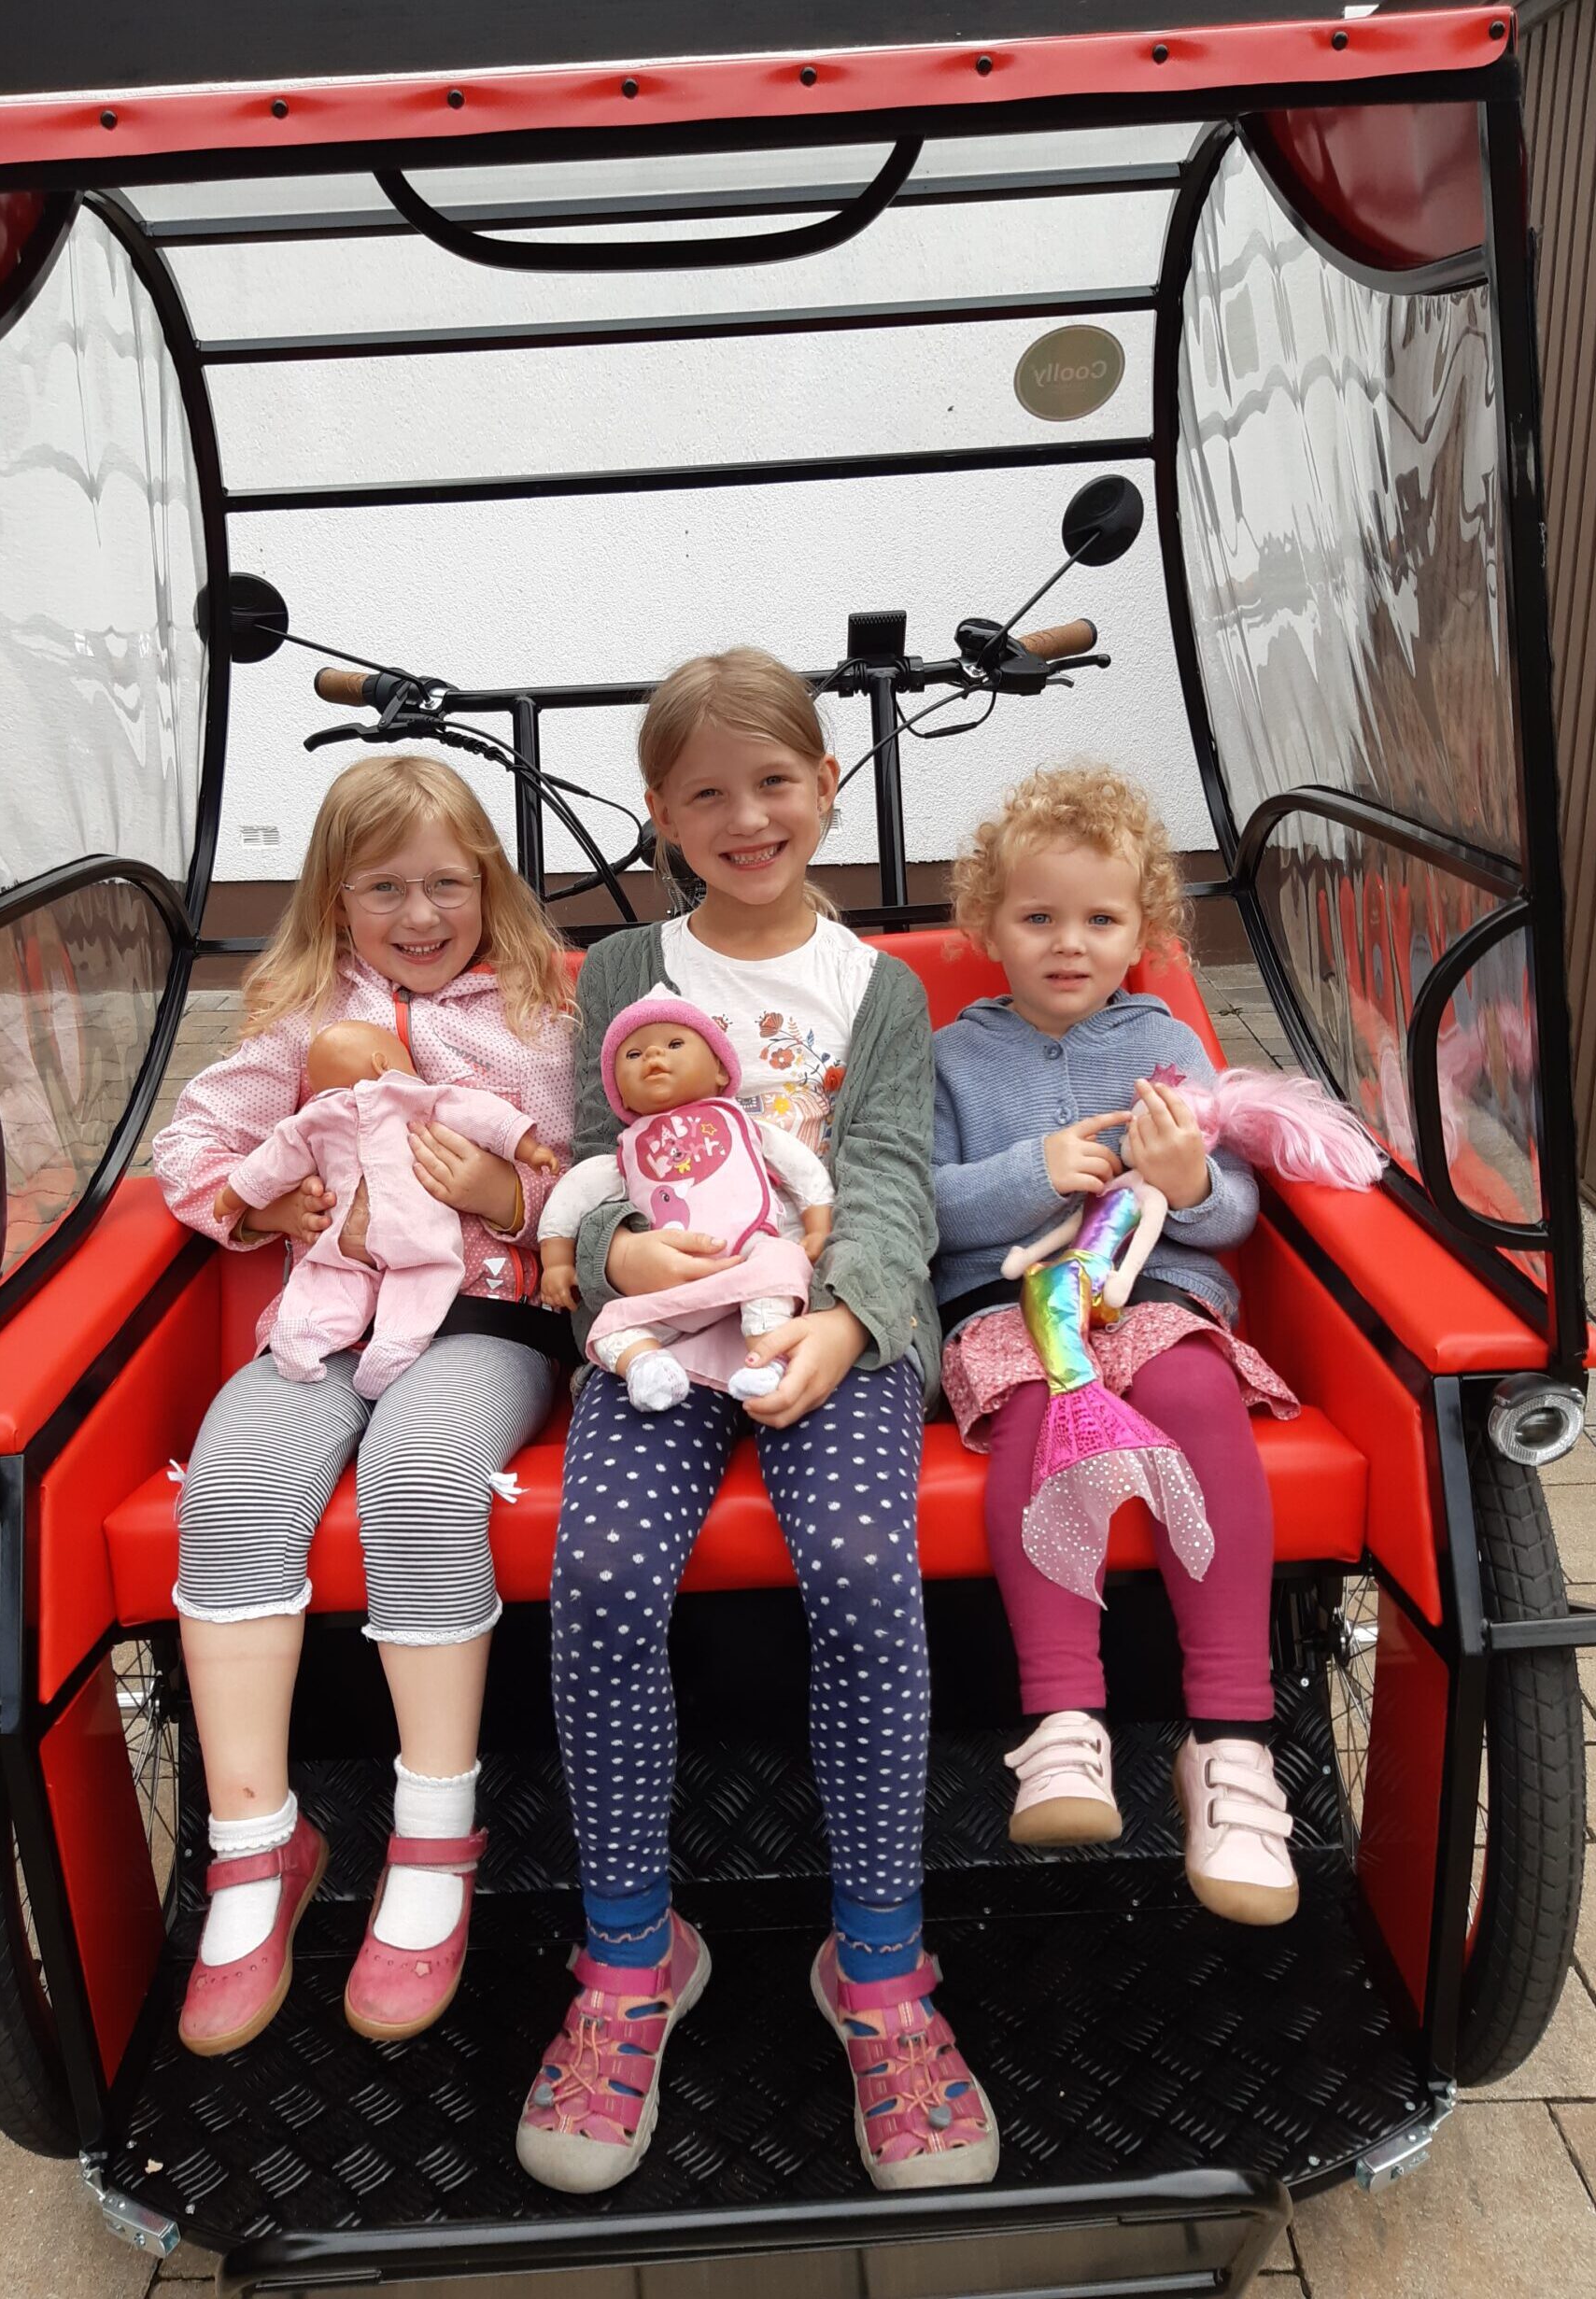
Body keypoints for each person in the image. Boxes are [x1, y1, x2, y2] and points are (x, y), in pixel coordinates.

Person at [516, 647, 997, 2198]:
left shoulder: (879, 991)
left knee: (861, 1573)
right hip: (664, 1332)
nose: (746, 817)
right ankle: (631, 1955)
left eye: (774, 781)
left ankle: (880, 1967)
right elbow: (594, 1164)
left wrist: (848, 1322)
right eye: (707, 793)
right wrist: (617, 1256)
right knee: (601, 1578)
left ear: (826, 788)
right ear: (660, 813)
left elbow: (887, 1175)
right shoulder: (625, 973)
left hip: (822, 1325)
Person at [152, 753, 572, 2052]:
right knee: (231, 1486)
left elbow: (599, 1168)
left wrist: (511, 1199)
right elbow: (192, 1147)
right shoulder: (305, 1016)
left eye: (448, 883)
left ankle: (436, 1830)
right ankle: (255, 1842)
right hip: (331, 1316)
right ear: (335, 899)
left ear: (489, 886)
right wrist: (260, 1205)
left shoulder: (536, 1015)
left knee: (419, 1475)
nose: (421, 913)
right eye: (384, 887)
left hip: (489, 1315)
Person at [932, 761, 1321, 1927]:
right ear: (987, 924)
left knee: (1197, 1394)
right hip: (1013, 1305)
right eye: (1038, 917)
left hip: (1159, 1291)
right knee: (1044, 1410)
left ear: (1141, 928)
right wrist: (1031, 1171)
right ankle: (1064, 1717)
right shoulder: (955, 1056)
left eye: (1101, 919)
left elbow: (1234, 1210)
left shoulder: (1166, 1040)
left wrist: (1187, 1179)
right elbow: (920, 1204)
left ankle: (1232, 1737)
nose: (1070, 943)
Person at [213, 1016, 557, 1399]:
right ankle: (325, 1336)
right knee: (370, 1274)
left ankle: (361, 1340)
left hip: (475, 1315)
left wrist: (238, 1195)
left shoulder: (325, 1118)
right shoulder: (409, 1099)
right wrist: (261, 1212)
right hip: (378, 1245)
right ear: (384, 1062)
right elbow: (485, 1117)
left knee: (398, 1274)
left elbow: (274, 1158)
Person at [536, 994, 832, 1408]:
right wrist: (556, 1261)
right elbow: (572, 1196)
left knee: (785, 1257)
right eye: (633, 1054)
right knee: (608, 1324)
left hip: (750, 1258)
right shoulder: (626, 1153)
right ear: (620, 1096)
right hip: (670, 1289)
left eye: (675, 1044)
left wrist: (818, 1226)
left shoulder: (745, 1127)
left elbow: (802, 1169)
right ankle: (648, 1367)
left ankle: (765, 1355)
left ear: (720, 1070)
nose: (653, 1055)